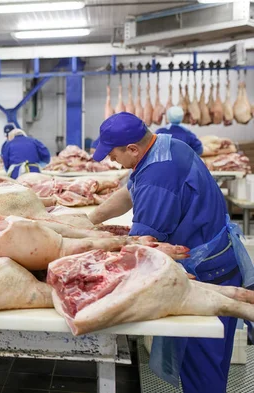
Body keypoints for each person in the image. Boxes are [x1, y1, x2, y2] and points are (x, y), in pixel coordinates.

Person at [88, 112, 254, 393]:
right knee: (208, 365)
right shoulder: (165, 145)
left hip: (207, 273)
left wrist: (93, 255)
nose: (110, 160)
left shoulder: (157, 178)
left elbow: (143, 243)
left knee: (202, 369)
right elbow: (129, 193)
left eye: (113, 154)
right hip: (219, 261)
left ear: (132, 149)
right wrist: (89, 221)